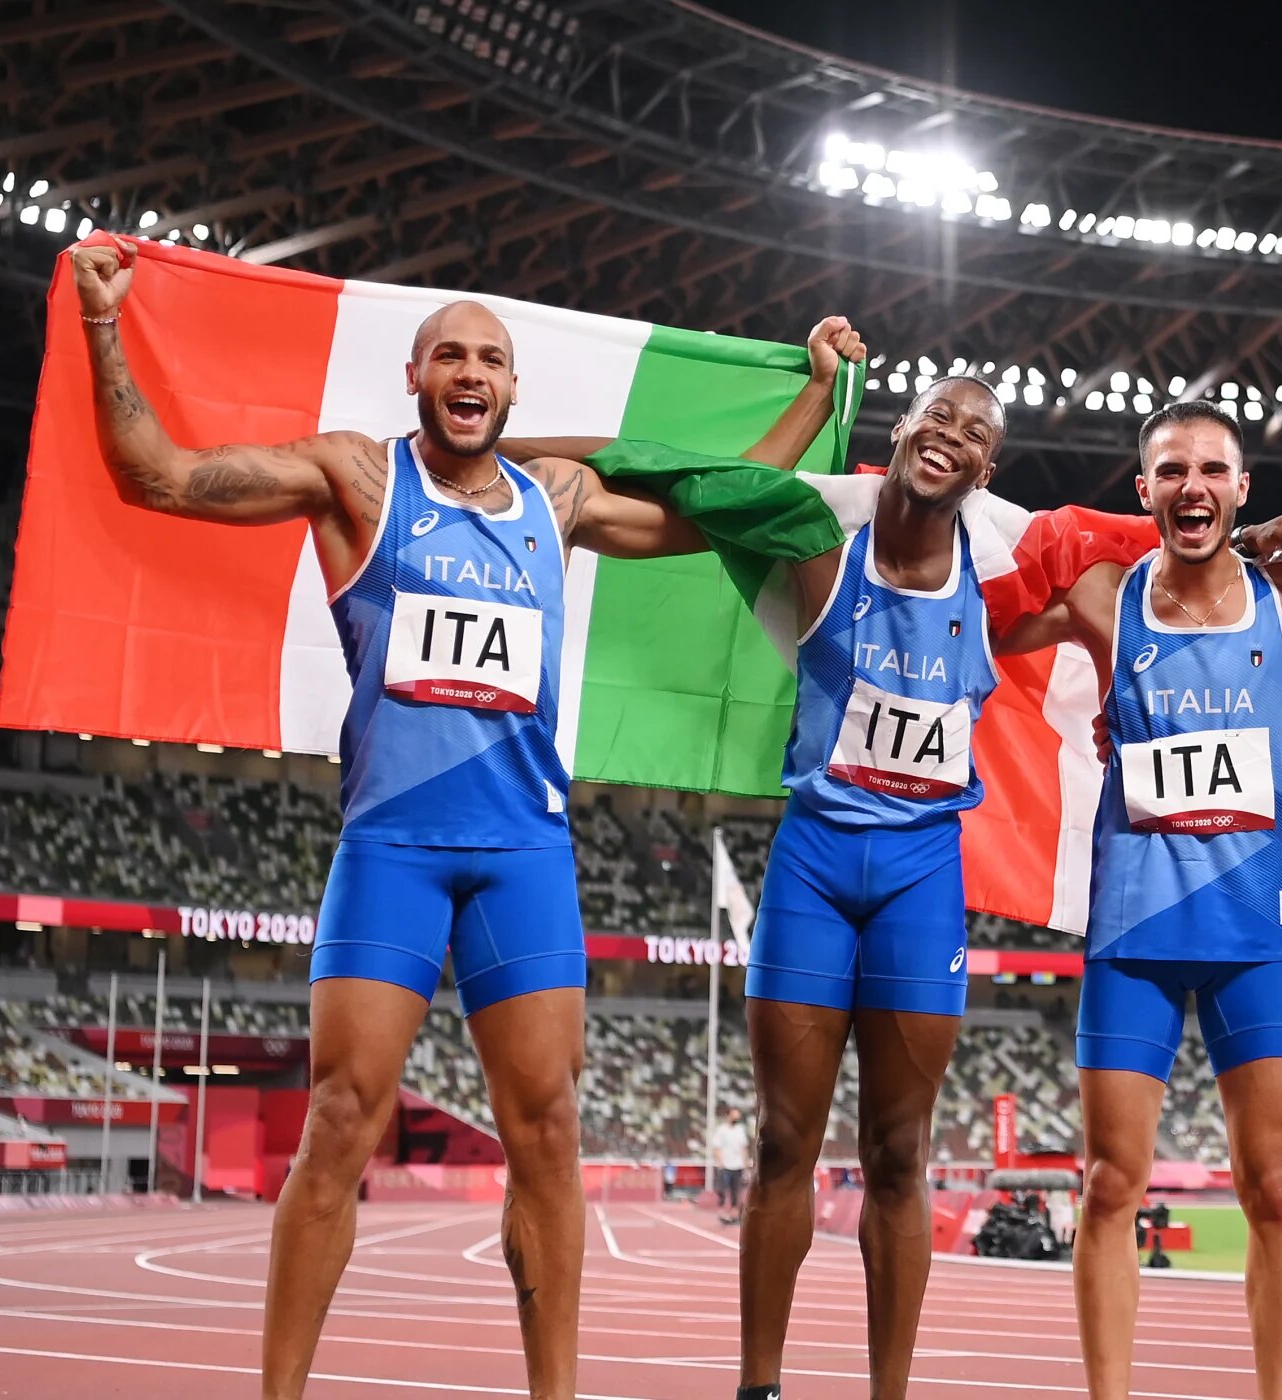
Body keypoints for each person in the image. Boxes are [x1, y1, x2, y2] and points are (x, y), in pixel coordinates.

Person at [70, 236, 844, 1399]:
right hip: (392, 847)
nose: (470, 370)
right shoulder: (356, 480)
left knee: (548, 1134)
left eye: (491, 356)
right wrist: (100, 326)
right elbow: (160, 476)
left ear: (515, 389)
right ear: (417, 376)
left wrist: (819, 394)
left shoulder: (561, 497)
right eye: (449, 354)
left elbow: (726, 504)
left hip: (523, 854)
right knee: (340, 1119)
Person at [728, 372, 1017, 1400]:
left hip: (921, 878)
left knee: (899, 1152)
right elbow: (730, 491)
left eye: (973, 431)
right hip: (813, 862)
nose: (949, 432)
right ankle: (758, 1386)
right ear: (900, 431)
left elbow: (1152, 559)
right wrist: (816, 386)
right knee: (779, 1144)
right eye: (936, 412)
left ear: (986, 470)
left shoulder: (1001, 582)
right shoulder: (824, 548)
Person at [1029, 401, 1282, 1400]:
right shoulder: (1107, 597)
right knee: (1110, 1182)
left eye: (1213, 469)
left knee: (1273, 1186)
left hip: (1253, 932)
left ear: (1242, 488)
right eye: (1171, 469)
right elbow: (972, 616)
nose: (1192, 483)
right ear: (1141, 489)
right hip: (1134, 930)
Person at [708, 1105, 751, 1224]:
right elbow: (717, 1147)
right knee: (722, 1189)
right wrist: (720, 1162)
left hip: (737, 1166)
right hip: (725, 1165)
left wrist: (746, 1165)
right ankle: (722, 1211)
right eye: (734, 1115)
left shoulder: (740, 1130)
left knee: (736, 1191)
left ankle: (734, 1213)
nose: (736, 1118)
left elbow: (744, 1148)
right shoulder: (722, 1130)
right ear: (728, 1116)